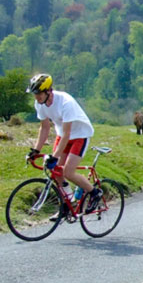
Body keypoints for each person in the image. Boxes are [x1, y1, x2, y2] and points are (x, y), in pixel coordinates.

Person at [25, 72, 101, 211]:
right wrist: (36, 150)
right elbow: (44, 127)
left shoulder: (66, 102)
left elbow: (67, 133)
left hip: (79, 135)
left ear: (49, 91)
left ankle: (94, 193)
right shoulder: (40, 104)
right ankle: (69, 203)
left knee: (68, 172)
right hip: (63, 135)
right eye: (34, 94)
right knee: (56, 172)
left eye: (39, 93)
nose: (36, 97)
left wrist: (54, 156)